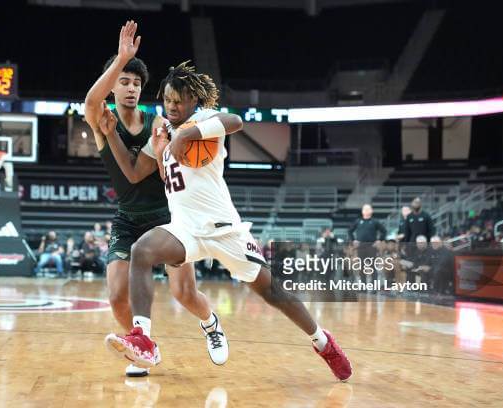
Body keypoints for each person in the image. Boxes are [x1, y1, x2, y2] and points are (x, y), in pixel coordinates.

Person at [107, 56, 351, 381]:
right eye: (167, 99)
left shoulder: (206, 119)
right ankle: (143, 338)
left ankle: (323, 342)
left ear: (193, 100)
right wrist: (119, 138)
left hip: (225, 231)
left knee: (272, 292)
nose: (172, 105)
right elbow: (137, 172)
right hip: (185, 229)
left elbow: (235, 120)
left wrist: (186, 136)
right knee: (142, 250)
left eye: (179, 100)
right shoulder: (162, 131)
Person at [84, 20, 228, 377]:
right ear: (112, 84)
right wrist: (121, 59)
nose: (131, 88)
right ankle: (142, 347)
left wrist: (114, 137)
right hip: (128, 217)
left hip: (166, 216)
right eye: (123, 81)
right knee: (117, 294)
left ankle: (211, 323)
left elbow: (134, 173)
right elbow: (90, 100)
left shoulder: (158, 125)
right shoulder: (100, 116)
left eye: (136, 83)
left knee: (184, 294)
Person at [348, 204, 386, 282]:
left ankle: (374, 286)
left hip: (371, 246)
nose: (366, 211)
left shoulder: (375, 221)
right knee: (362, 267)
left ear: (372, 211)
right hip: (361, 246)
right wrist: (353, 240)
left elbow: (384, 231)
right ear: (362, 211)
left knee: (372, 267)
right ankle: (363, 286)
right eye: (365, 209)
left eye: (368, 209)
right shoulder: (358, 221)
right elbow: (350, 231)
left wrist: (379, 240)